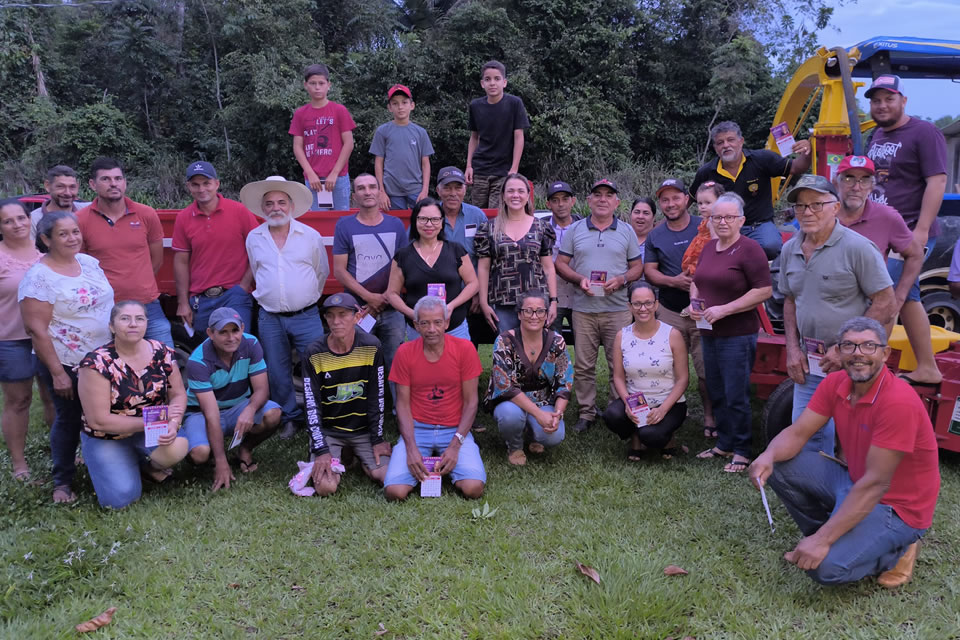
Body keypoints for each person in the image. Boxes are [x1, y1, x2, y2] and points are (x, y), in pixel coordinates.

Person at [750, 316, 939, 588]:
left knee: (825, 570)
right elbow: (798, 433)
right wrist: (767, 456)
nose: (858, 353)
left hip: (896, 506)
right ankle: (829, 534)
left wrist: (823, 541)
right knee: (779, 465)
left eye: (868, 346)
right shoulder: (834, 383)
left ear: (885, 354)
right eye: (848, 346)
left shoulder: (898, 401)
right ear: (838, 352)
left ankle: (897, 549)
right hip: (854, 482)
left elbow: (876, 484)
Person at [779, 175, 896, 457]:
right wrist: (792, 349)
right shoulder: (789, 250)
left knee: (855, 441)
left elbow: (885, 302)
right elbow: (791, 300)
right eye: (801, 206)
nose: (808, 212)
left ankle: (852, 495)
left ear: (835, 207)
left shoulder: (857, 248)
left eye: (817, 204)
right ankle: (816, 495)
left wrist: (846, 348)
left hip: (854, 362)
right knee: (807, 435)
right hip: (811, 362)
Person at [19, 211, 114, 503]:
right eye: (63, 234)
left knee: (107, 414)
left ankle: (110, 467)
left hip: (104, 357)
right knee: (69, 418)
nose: (73, 238)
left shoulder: (88, 263)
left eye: (75, 231)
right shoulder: (39, 278)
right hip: (67, 361)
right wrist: (58, 373)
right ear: (46, 239)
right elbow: (36, 330)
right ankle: (62, 481)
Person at [865, 75, 947, 386]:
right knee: (907, 297)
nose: (882, 105)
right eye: (876, 100)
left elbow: (937, 181)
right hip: (881, 233)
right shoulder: (877, 135)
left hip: (909, 231)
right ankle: (927, 367)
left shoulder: (925, 132)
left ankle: (871, 370)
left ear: (903, 101)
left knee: (885, 296)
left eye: (889, 98)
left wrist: (922, 230)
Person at [77, 301, 189, 509]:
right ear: (112, 327)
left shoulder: (162, 352)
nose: (133, 324)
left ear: (146, 323)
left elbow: (179, 395)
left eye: (139, 319)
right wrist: (152, 421)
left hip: (150, 427)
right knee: (120, 500)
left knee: (178, 448)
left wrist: (173, 423)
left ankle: (147, 466)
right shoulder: (96, 363)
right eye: (125, 319)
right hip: (107, 435)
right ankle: (122, 461)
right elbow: (98, 420)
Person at [689, 193, 772, 472]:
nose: (722, 222)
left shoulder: (750, 250)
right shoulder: (710, 247)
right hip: (708, 331)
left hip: (737, 333)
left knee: (736, 393)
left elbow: (763, 290)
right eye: (717, 217)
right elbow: (698, 280)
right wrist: (695, 302)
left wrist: (725, 309)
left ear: (741, 220)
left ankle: (742, 450)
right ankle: (723, 443)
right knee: (717, 389)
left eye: (728, 217)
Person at [243, 175, 329, 440]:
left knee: (318, 367)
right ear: (262, 208)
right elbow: (256, 270)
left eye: (281, 202)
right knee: (277, 371)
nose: (275, 208)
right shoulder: (254, 238)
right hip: (269, 316)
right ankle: (290, 418)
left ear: (291, 206)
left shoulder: (310, 236)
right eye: (269, 203)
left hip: (306, 315)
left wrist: (303, 297)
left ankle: (322, 419)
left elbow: (321, 272)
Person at [555, 178, 644, 433]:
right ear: (589, 200)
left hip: (617, 309)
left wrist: (622, 279)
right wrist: (578, 278)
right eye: (598, 194)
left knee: (620, 363)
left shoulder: (626, 231)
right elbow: (560, 263)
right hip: (583, 308)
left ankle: (617, 409)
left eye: (608, 195)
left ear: (616, 202)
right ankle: (587, 412)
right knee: (584, 365)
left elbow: (637, 267)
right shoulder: (575, 229)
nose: (603, 199)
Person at [383, 296, 486, 500]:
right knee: (395, 492)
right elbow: (402, 405)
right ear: (416, 326)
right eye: (425, 323)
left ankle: (448, 458)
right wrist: (411, 448)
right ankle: (421, 456)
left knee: (473, 488)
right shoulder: (404, 352)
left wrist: (456, 444)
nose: (432, 329)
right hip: (418, 428)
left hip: (454, 429)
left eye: (437, 322)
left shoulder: (464, 349)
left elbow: (471, 402)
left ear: (447, 323)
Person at [180, 307, 282, 492]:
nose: (231, 337)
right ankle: (211, 458)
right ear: (210, 333)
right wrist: (221, 462)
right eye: (223, 332)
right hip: (201, 414)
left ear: (242, 328)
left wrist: (250, 410)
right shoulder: (198, 361)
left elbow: (261, 389)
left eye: (235, 330)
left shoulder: (251, 343)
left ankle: (244, 449)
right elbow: (211, 415)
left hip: (237, 406)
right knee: (199, 453)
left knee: (273, 413)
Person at [76, 157, 172, 347]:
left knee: (165, 363)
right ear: (93, 184)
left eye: (118, 178)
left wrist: (137, 284)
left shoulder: (146, 214)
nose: (113, 184)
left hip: (147, 305)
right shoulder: (80, 220)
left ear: (124, 182)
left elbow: (157, 260)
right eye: (105, 179)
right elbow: (81, 267)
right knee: (108, 368)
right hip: (104, 309)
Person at [643, 178, 714, 433]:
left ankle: (709, 416)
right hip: (670, 312)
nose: (670, 204)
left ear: (687, 199)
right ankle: (664, 417)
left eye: (675, 198)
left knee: (706, 369)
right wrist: (674, 281)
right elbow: (650, 272)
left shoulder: (705, 225)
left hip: (704, 311)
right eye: (665, 199)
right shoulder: (655, 234)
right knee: (664, 368)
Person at [302, 292, 390, 496]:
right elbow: (310, 404)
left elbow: (377, 396)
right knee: (326, 487)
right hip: (329, 432)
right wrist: (321, 449)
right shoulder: (314, 352)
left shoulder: (372, 346)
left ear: (357, 316)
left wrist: (377, 439)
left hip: (362, 431)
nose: (336, 321)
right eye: (330, 315)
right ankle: (340, 454)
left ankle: (357, 457)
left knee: (387, 478)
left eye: (343, 314)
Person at [332, 174, 408, 402]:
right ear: (354, 196)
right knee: (358, 361)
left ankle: (398, 408)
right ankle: (362, 409)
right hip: (358, 309)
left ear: (380, 192)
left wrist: (385, 297)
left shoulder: (395, 225)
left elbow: (402, 265)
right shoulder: (345, 225)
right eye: (361, 188)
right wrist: (370, 299)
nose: (367, 192)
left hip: (392, 309)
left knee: (396, 360)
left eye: (372, 187)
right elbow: (340, 271)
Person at [689, 121, 812, 259]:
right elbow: (688, 199)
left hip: (758, 226)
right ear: (715, 147)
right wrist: (669, 222)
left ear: (741, 141)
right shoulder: (706, 171)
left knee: (770, 246)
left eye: (730, 140)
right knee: (712, 253)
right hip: (724, 227)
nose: (726, 145)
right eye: (720, 142)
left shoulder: (762, 159)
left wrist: (807, 151)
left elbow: (796, 168)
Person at [834, 155, 924, 336]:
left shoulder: (887, 217)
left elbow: (915, 254)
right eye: (849, 178)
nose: (856, 187)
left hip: (872, 310)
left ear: (872, 186)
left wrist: (898, 298)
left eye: (864, 180)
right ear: (836, 183)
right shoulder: (824, 215)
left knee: (865, 361)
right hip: (829, 308)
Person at [484, 290, 572, 465]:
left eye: (540, 311)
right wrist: (539, 414)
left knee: (554, 436)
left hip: (543, 401)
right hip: (509, 401)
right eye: (528, 311)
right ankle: (515, 446)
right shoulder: (504, 341)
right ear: (519, 314)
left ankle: (534, 436)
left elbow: (565, 383)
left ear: (546, 314)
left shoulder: (557, 341)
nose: (534, 316)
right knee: (510, 416)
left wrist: (557, 414)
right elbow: (506, 386)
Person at [603, 282, 688, 460]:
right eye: (637, 304)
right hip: (637, 401)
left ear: (656, 304)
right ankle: (636, 434)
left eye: (648, 303)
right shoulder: (622, 336)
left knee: (652, 437)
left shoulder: (672, 335)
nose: (643, 308)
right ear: (629, 306)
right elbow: (618, 377)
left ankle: (666, 436)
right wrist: (627, 403)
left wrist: (663, 409)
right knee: (612, 415)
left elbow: (683, 379)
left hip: (668, 402)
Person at [173, 161, 258, 334]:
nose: (201, 189)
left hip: (234, 295)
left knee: (238, 347)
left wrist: (243, 286)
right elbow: (181, 262)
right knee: (208, 352)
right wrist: (182, 302)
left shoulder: (239, 211)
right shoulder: (183, 218)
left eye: (206, 183)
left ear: (217, 184)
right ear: (189, 186)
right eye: (195, 184)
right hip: (200, 300)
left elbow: (258, 249)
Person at [385, 197, 478, 339]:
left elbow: (473, 283)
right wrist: (413, 314)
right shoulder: (403, 255)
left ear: (442, 222)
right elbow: (392, 293)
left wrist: (451, 306)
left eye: (435, 219)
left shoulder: (455, 250)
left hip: (454, 328)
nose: (429, 224)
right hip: (418, 330)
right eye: (423, 219)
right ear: (415, 221)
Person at [476, 173, 558, 333]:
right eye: (510, 191)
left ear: (528, 196)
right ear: (503, 196)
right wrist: (483, 303)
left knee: (536, 352)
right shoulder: (489, 229)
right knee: (507, 350)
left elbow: (548, 268)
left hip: (536, 303)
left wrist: (553, 301)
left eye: (520, 191)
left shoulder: (541, 228)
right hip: (503, 302)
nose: (515, 195)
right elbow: (483, 268)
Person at [0, 199, 44, 481]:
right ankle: (20, 464)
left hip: (50, 338)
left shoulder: (46, 249)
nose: (17, 224)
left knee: (56, 398)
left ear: (30, 219)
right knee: (19, 400)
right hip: (11, 338)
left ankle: (65, 451)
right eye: (8, 221)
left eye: (21, 218)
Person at [290, 63, 356, 211]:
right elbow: (297, 146)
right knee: (318, 224)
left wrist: (334, 173)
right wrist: (310, 173)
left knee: (341, 221)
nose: (317, 87)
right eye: (313, 83)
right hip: (313, 179)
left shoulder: (339, 110)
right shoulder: (300, 113)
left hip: (338, 177)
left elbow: (349, 143)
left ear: (329, 85)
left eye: (321, 83)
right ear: (306, 85)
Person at [465, 60, 530, 208]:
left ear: (504, 82)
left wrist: (514, 169)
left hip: (503, 171)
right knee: (478, 214)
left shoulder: (514, 103)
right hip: (480, 169)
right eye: (488, 79)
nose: (492, 83)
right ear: (482, 83)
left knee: (496, 215)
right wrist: (469, 166)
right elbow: (474, 137)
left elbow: (519, 137)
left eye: (497, 79)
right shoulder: (476, 106)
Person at [370, 84, 434, 210]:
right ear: (389, 107)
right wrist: (381, 191)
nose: (400, 107)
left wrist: (425, 190)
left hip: (416, 189)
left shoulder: (420, 132)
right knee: (396, 225)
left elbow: (425, 163)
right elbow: (378, 162)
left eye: (404, 102)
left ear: (412, 105)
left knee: (420, 223)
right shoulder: (383, 131)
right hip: (392, 190)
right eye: (395, 103)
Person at [546, 181, 582, 333]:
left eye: (565, 199)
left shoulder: (584, 227)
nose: (560, 204)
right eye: (555, 200)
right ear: (548, 204)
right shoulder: (541, 228)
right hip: (552, 297)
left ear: (573, 201)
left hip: (579, 297)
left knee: (583, 344)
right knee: (551, 344)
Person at [435, 166, 488, 265]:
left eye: (458, 188)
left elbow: (486, 256)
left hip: (472, 278)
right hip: (438, 278)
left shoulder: (477, 216)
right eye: (447, 188)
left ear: (465, 190)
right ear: (438, 191)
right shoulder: (428, 215)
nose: (453, 193)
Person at [30, 165, 89, 241]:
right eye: (60, 186)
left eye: (72, 187)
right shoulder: (33, 220)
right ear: (47, 186)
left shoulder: (87, 210)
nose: (67, 193)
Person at [681, 181, 723, 277]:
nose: (703, 206)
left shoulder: (712, 221)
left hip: (706, 253)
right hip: (700, 249)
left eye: (708, 203)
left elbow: (715, 241)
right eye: (700, 203)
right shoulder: (707, 218)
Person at [628, 197, 655, 264]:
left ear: (653, 217)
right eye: (637, 212)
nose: (640, 216)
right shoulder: (621, 238)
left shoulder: (658, 242)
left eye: (646, 213)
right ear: (630, 215)